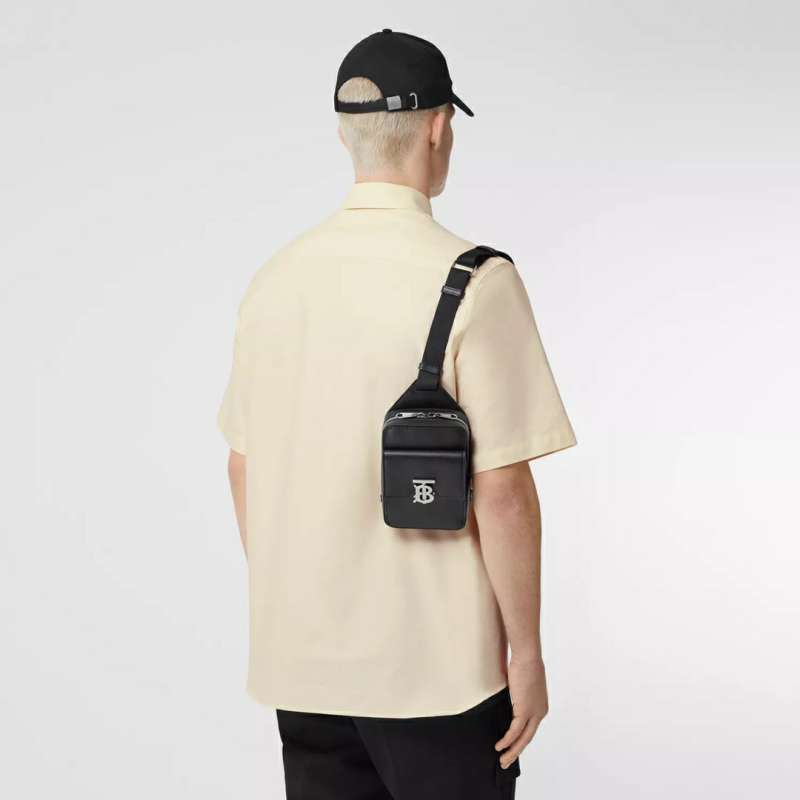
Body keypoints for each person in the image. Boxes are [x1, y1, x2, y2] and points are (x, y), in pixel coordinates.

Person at [218, 28, 577, 800]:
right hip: (438, 673)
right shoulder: (475, 280)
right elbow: (503, 493)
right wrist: (526, 654)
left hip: (305, 664)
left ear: (344, 134)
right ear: (440, 128)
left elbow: (243, 466)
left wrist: (305, 595)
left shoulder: (274, 280)